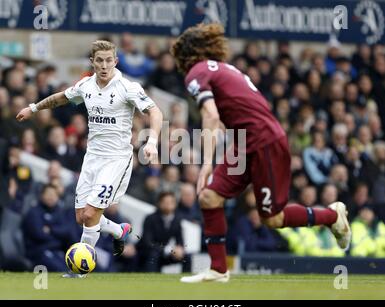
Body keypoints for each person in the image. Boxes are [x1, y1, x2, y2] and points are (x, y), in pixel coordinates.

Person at [171, 23, 351, 283]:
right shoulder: (224, 69)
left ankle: (332, 216)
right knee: (209, 197)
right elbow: (231, 111)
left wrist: (206, 163)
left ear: (185, 56)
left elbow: (210, 115)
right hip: (246, 141)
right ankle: (219, 270)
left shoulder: (196, 72)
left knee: (272, 219)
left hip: (263, 142)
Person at [16, 40, 163, 276]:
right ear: (92, 62)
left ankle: (80, 271)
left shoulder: (128, 87)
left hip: (116, 159)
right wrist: (33, 108)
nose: (104, 65)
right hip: (92, 157)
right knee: (81, 217)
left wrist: (153, 141)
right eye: (99, 60)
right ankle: (118, 231)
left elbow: (155, 111)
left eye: (109, 60)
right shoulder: (86, 85)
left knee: (90, 214)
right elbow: (61, 98)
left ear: (115, 61)